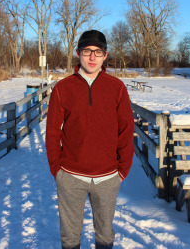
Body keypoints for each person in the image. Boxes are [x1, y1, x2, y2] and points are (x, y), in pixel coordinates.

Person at [46, 30, 135, 249]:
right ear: (78, 53)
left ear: (105, 55)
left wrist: (122, 170)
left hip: (107, 177)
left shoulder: (117, 88)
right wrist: (57, 170)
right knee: (70, 237)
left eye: (98, 51)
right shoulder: (62, 88)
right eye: (87, 51)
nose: (92, 57)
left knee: (105, 235)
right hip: (70, 176)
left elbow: (126, 130)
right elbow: (52, 133)